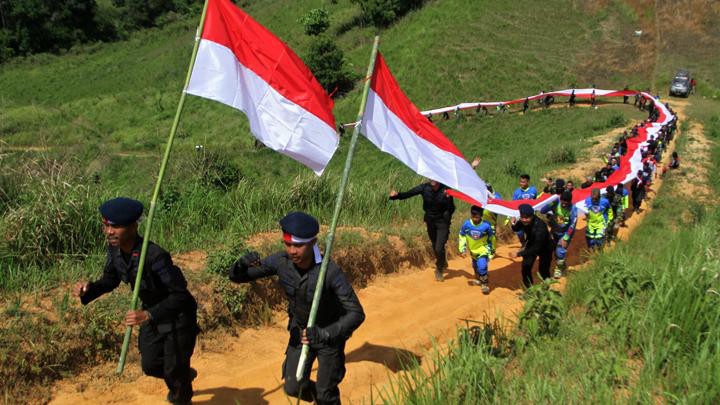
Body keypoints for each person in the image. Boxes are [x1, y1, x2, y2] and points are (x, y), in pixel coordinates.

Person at [228, 212, 365, 405]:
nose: (292, 250)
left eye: (299, 245)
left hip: (329, 336)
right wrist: (240, 265)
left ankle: (327, 399)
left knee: (327, 394)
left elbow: (356, 313)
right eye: (288, 244)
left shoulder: (330, 272)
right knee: (293, 387)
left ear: (313, 242)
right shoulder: (280, 262)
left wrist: (325, 334)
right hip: (300, 333)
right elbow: (238, 277)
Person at [73, 198, 198, 405]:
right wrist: (88, 290)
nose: (109, 232)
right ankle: (182, 374)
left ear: (133, 226)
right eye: (106, 225)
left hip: (178, 317)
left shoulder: (155, 256)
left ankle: (180, 392)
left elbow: (180, 296)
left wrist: (148, 315)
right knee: (150, 365)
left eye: (115, 226)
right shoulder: (114, 249)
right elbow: (110, 280)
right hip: (151, 314)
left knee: (174, 372)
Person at [389, 180, 454, 281]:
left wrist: (448, 199)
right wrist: (396, 195)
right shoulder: (424, 187)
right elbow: (409, 194)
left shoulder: (446, 190)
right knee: (434, 244)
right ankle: (442, 260)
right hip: (430, 221)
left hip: (442, 222)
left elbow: (452, 208)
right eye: (430, 177)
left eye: (434, 177)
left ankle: (439, 269)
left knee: (438, 247)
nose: (432, 179)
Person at [511, 204, 554, 288]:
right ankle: (529, 290)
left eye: (527, 218)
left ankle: (547, 290)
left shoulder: (540, 226)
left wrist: (519, 254)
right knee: (526, 267)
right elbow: (516, 228)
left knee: (543, 270)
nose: (524, 220)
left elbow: (536, 248)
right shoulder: (522, 221)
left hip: (545, 247)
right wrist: (513, 223)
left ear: (532, 216)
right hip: (531, 243)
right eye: (522, 217)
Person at [540, 191, 578, 279]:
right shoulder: (556, 203)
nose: (564, 203)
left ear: (570, 201)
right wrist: (551, 203)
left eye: (566, 201)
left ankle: (558, 269)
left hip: (565, 233)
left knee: (560, 251)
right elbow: (542, 211)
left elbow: (573, 225)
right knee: (553, 251)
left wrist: (566, 238)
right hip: (554, 231)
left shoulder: (573, 209)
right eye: (563, 201)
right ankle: (562, 265)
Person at [459, 206, 495, 294]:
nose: (475, 217)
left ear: (481, 215)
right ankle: (479, 278)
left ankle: (485, 284)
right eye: (473, 215)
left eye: (477, 216)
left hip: (483, 249)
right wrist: (462, 249)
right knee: (476, 267)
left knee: (482, 266)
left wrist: (492, 251)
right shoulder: (467, 224)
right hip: (473, 250)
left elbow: (492, 238)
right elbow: (462, 236)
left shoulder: (486, 225)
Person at [512, 174, 538, 244]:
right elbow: (514, 205)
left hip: (531, 216)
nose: (521, 183)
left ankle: (531, 245)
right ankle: (523, 244)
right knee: (519, 232)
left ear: (528, 182)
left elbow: (537, 201)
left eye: (523, 182)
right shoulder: (516, 192)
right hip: (520, 216)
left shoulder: (533, 190)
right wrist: (513, 216)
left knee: (531, 232)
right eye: (520, 182)